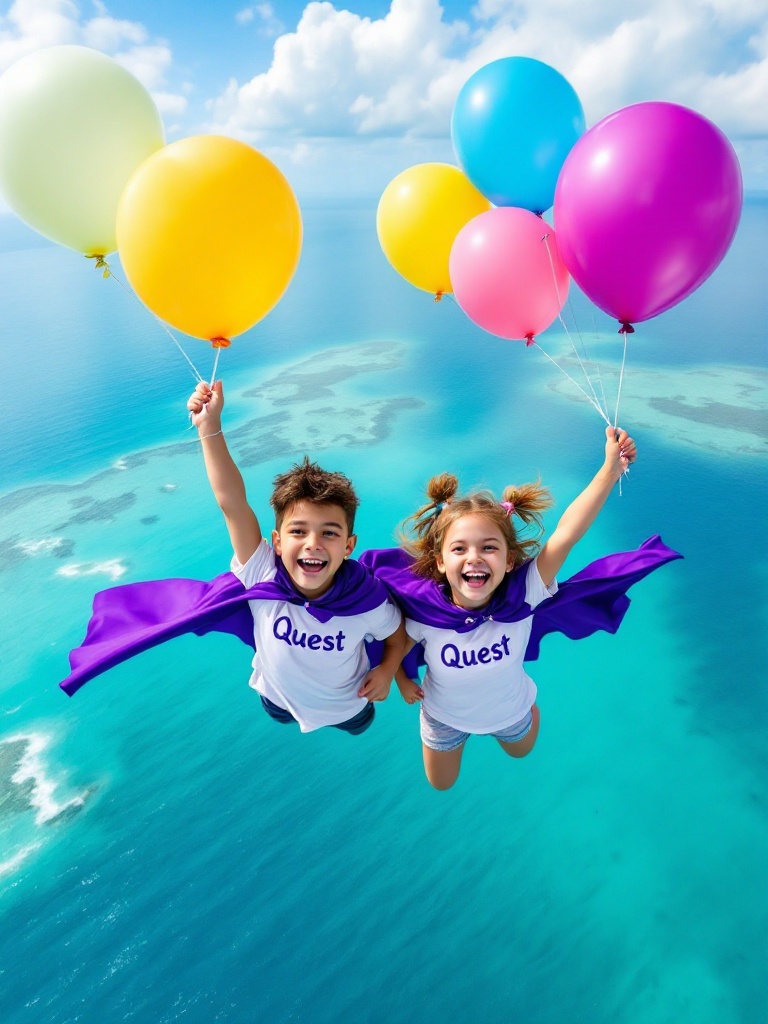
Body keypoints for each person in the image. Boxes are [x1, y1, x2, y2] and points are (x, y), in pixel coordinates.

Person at [389, 427, 643, 788]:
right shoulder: (425, 612)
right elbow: (397, 645)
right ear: (441, 561)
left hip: (510, 711)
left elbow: (567, 532)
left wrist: (610, 470)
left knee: (521, 751)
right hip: (443, 717)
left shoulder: (526, 592)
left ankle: (530, 709)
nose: (474, 557)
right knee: (440, 783)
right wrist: (400, 679)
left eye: (489, 547)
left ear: (510, 561)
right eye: (459, 549)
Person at [185, 379, 406, 736]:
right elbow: (232, 503)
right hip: (277, 698)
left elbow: (397, 638)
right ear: (276, 541)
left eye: (329, 533)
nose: (312, 543)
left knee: (359, 727)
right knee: (279, 715)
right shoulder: (261, 573)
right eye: (298, 531)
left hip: (349, 705)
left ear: (349, 546)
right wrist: (209, 427)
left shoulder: (369, 599)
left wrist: (386, 671)